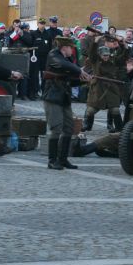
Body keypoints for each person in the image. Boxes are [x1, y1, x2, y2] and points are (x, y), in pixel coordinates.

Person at [42, 36, 91, 169]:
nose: (73, 50)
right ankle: (52, 160)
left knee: (69, 128)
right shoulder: (54, 55)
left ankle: (63, 159)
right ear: (65, 48)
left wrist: (84, 80)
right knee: (56, 129)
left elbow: (70, 80)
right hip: (53, 96)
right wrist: (79, 70)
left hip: (64, 97)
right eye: (71, 47)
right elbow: (65, 66)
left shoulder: (67, 59)